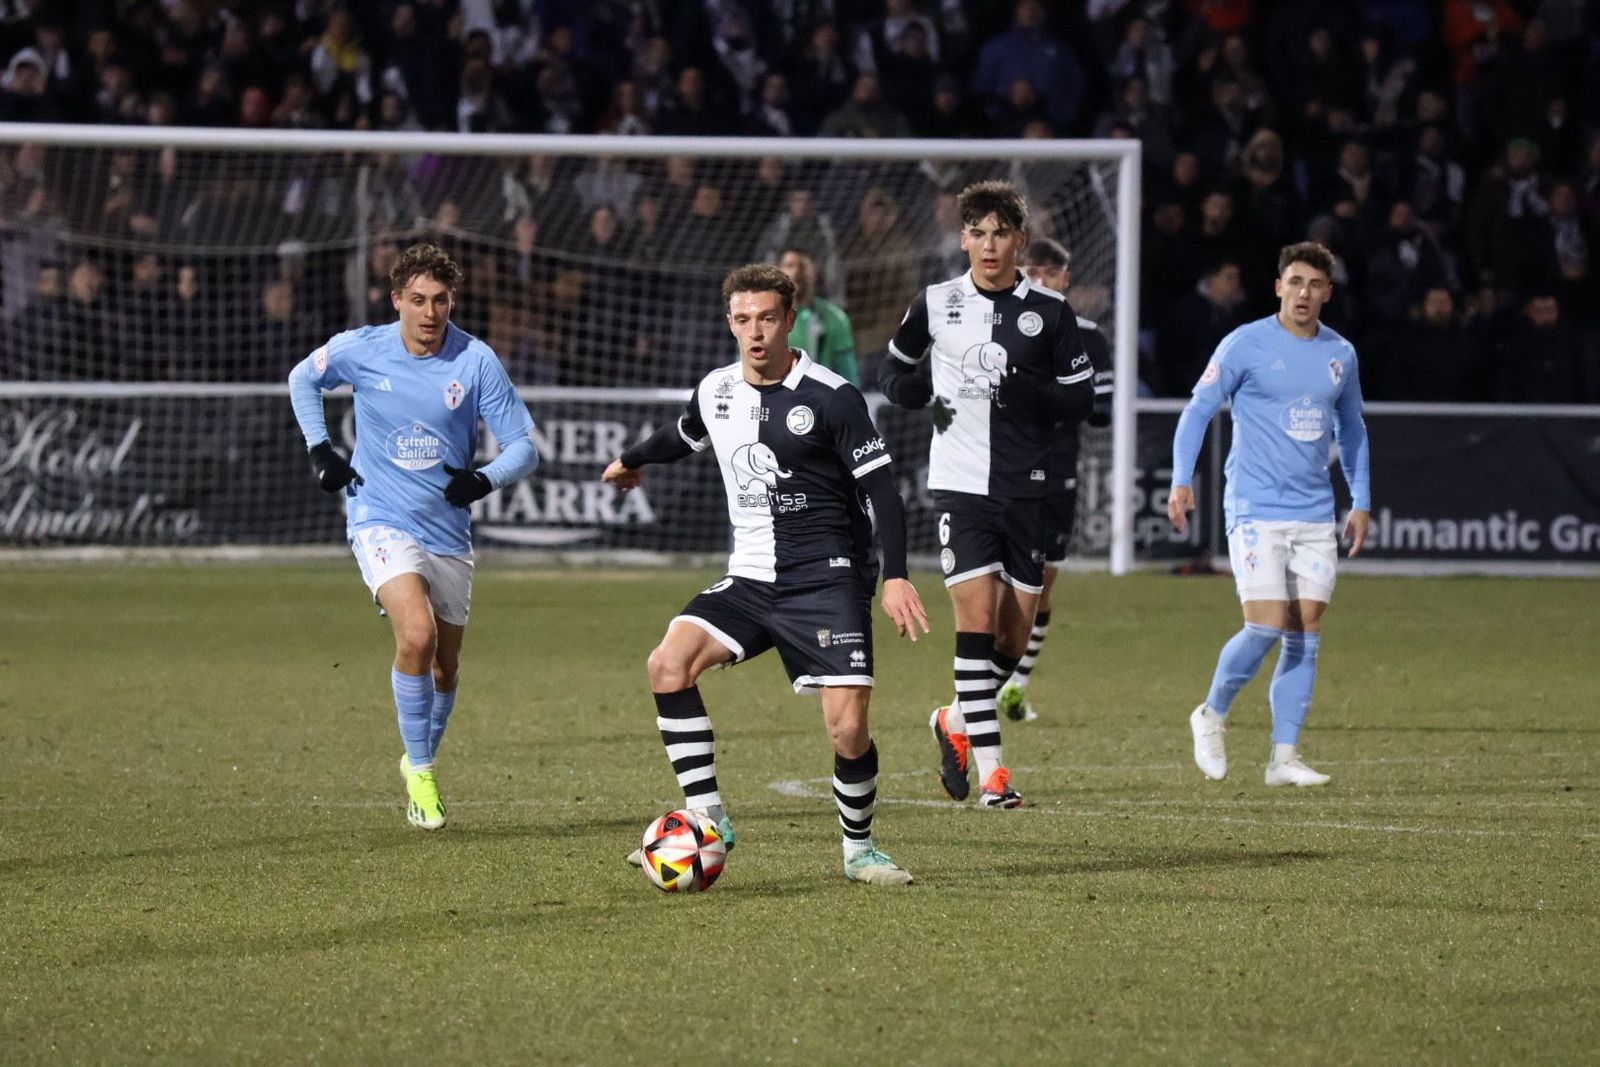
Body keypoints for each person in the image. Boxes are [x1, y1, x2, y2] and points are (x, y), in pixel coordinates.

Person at [602, 263, 928, 886]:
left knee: (848, 729)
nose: (756, 332)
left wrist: (895, 576)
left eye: (768, 319)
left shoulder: (832, 397)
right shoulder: (717, 389)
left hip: (828, 578)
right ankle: (708, 820)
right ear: (730, 322)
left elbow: (883, 490)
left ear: (791, 320)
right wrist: (630, 460)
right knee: (667, 664)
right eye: (744, 319)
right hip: (751, 576)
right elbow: (683, 435)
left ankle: (858, 850)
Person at [287, 243, 540, 830]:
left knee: (446, 669)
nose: (430, 313)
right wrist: (320, 448)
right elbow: (304, 377)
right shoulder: (363, 348)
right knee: (417, 633)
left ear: (453, 302)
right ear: (396, 299)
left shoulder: (475, 361)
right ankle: (422, 774)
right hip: (379, 517)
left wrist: (483, 479)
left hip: (447, 533)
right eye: (418, 300)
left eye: (441, 301)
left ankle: (416, 758)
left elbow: (524, 448)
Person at [878, 179, 1095, 809]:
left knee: (1011, 638)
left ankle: (954, 719)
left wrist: (1035, 394)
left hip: (1030, 490)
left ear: (1020, 241)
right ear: (963, 238)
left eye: (1001, 233)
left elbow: (1080, 399)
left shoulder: (1051, 314)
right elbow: (893, 369)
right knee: (973, 627)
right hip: (961, 487)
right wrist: (907, 392)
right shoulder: (936, 301)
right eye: (977, 233)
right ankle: (995, 777)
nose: (989, 244)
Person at [1168, 241, 1371, 788]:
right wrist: (1181, 479)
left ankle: (1284, 758)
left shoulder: (1340, 354)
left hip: (1313, 512)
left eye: (1315, 284)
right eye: (1295, 282)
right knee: (1264, 623)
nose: (1304, 293)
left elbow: (1351, 429)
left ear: (1328, 292)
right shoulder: (1245, 344)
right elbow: (1198, 410)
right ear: (1279, 286)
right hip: (1255, 506)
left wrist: (1361, 498)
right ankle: (1210, 714)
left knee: (1305, 631)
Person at [995, 238, 1113, 722]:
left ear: (1066, 277)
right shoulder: (999, 327)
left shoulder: (1088, 336)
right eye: (1032, 271)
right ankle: (983, 684)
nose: (1041, 280)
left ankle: (1015, 685)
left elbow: (1101, 410)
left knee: (1041, 582)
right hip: (999, 470)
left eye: (1051, 272)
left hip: (1057, 471)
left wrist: (1040, 396)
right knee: (996, 582)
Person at [778, 245, 860, 385]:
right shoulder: (764, 318)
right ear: (778, 272)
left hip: (820, 399)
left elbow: (848, 373)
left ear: (814, 272)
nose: (796, 271)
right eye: (789, 265)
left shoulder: (835, 318)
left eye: (802, 266)